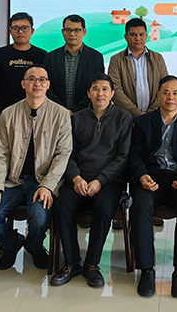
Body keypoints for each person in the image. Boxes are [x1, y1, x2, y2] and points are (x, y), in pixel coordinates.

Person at [0, 65, 72, 271]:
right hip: (12, 181)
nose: (37, 83)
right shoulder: (8, 114)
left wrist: (47, 186)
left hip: (42, 181)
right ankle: (11, 243)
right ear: (23, 84)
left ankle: (34, 246)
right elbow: (0, 155)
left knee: (39, 216)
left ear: (48, 85)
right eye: (31, 79)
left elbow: (63, 154)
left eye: (42, 79)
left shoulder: (61, 114)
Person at [50, 73, 132, 287]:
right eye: (95, 89)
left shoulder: (123, 118)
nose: (100, 93)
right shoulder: (76, 119)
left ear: (112, 93)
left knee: (104, 208)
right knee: (62, 206)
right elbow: (66, 153)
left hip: (108, 181)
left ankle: (92, 265)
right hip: (79, 178)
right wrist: (76, 178)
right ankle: (71, 263)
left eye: (105, 89)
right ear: (88, 93)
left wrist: (101, 181)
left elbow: (123, 157)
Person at [129, 75, 177, 298]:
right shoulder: (142, 122)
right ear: (158, 95)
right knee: (140, 207)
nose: (170, 97)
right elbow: (134, 155)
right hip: (151, 178)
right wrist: (142, 176)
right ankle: (146, 270)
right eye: (166, 92)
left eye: (175, 93)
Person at [0, 12, 47, 117]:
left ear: (32, 31)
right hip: (4, 112)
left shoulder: (42, 56)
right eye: (16, 28)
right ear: (10, 31)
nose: (20, 32)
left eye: (25, 28)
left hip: (35, 112)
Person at [44, 14, 105, 113]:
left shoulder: (95, 57)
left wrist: (75, 110)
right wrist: (62, 110)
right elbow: (46, 87)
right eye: (68, 30)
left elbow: (96, 87)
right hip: (55, 112)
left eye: (77, 30)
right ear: (63, 32)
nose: (72, 34)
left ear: (84, 32)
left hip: (86, 113)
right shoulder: (51, 57)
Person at [108, 18, 168, 117]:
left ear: (146, 36)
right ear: (126, 37)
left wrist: (150, 114)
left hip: (155, 116)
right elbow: (116, 90)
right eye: (133, 35)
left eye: (141, 34)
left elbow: (165, 87)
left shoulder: (158, 58)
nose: (138, 38)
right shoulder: (116, 60)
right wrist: (137, 113)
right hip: (126, 116)